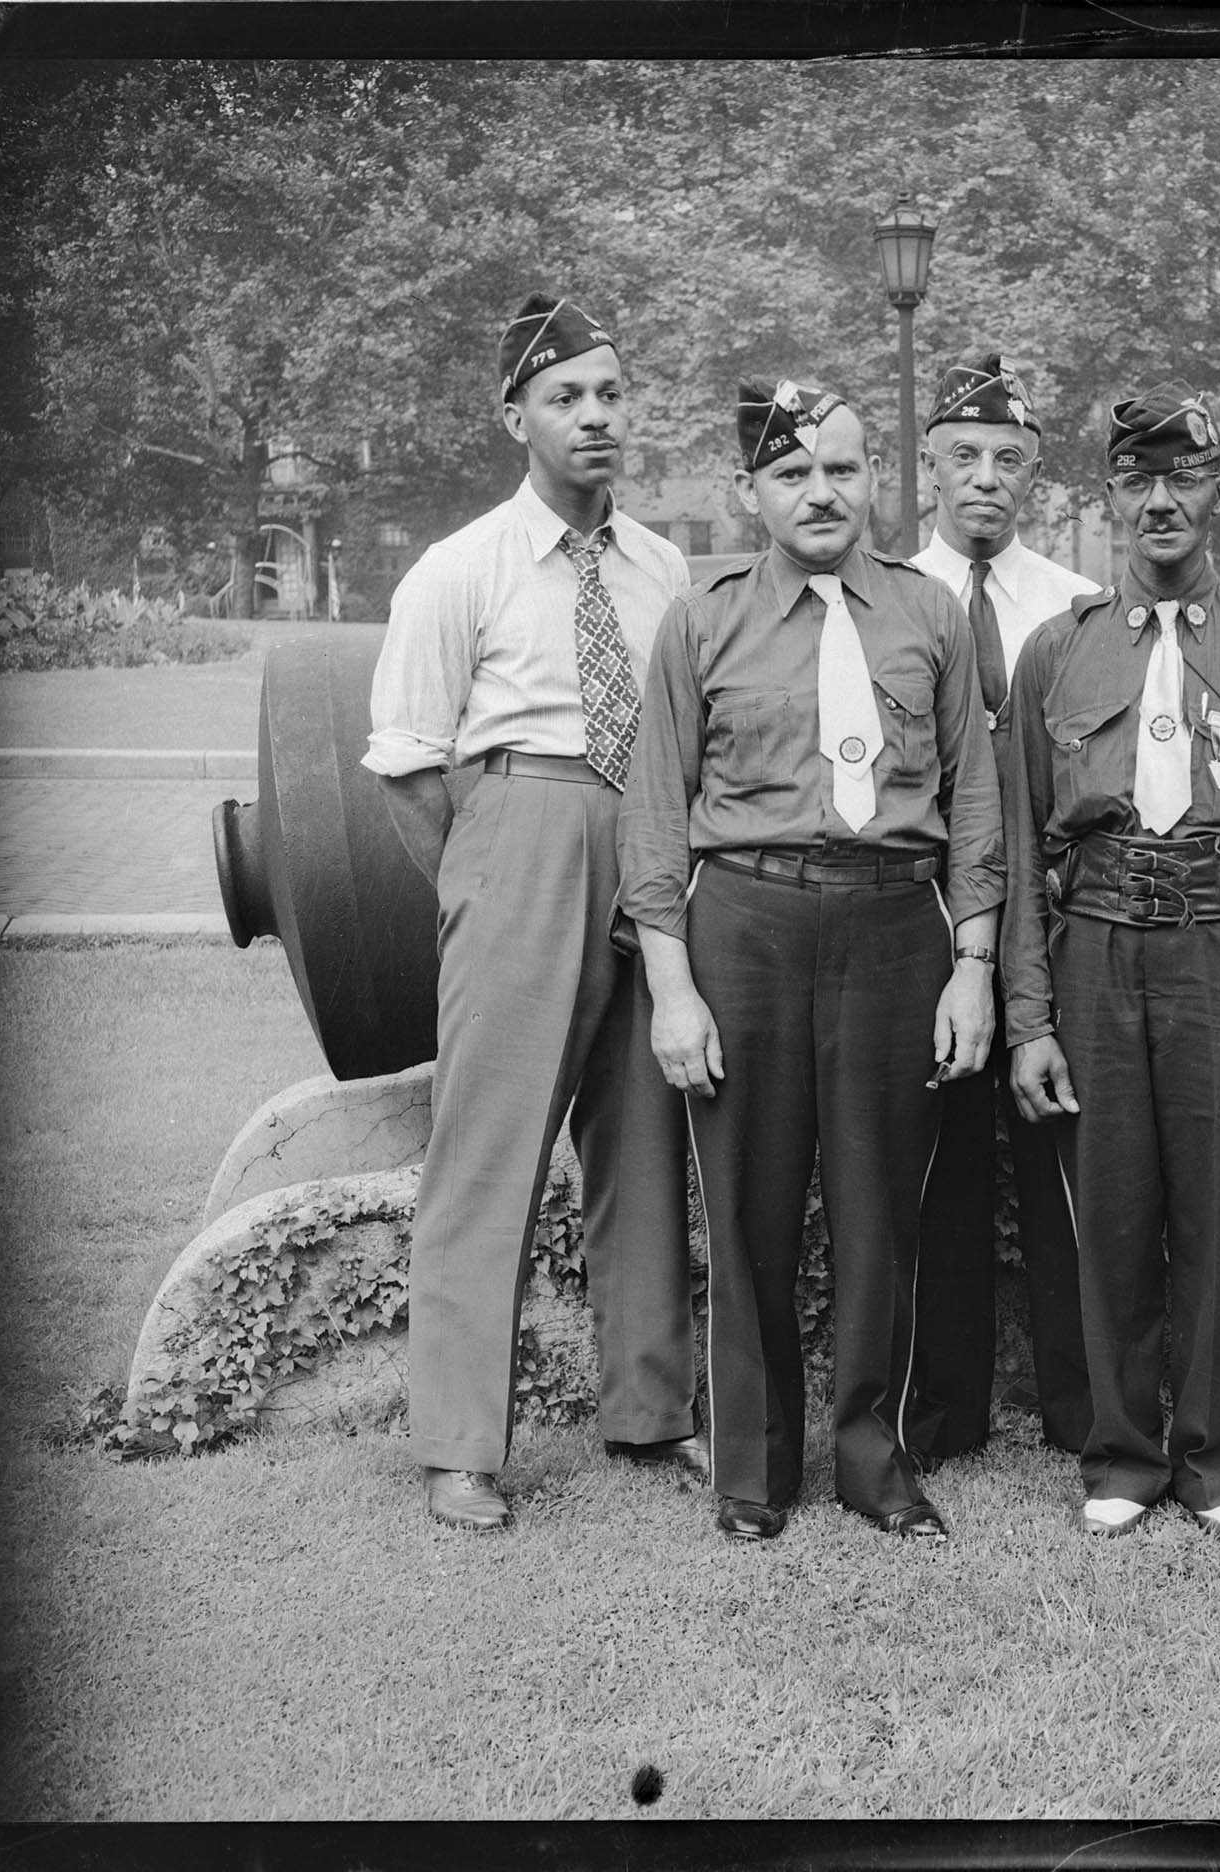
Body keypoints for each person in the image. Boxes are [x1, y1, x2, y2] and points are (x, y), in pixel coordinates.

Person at [618, 379, 1002, 1545]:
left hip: (896, 926)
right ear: (751, 494)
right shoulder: (703, 618)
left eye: (838, 468)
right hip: (747, 924)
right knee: (748, 1205)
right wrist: (673, 988)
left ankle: (871, 1459)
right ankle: (752, 1467)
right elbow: (653, 814)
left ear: (873, 476)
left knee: (884, 1208)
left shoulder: (927, 613)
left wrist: (973, 963)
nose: (819, 492)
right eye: (791, 474)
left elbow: (974, 798)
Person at [364, 292, 699, 1533]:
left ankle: (648, 1411)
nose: (595, 417)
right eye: (566, 398)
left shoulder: (662, 567)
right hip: (515, 838)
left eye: (611, 393)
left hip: (649, 850)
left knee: (649, 1144)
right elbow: (405, 765)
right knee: (489, 1154)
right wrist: (481, 884)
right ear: (516, 417)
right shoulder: (459, 569)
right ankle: (460, 1446)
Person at [1001, 380, 1220, 1542]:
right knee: (1107, 1206)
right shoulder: (1055, 654)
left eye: (1184, 478)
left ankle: (1209, 1454)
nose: (1160, 503)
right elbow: (1015, 846)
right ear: (1105, 498)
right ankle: (1121, 1451)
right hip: (1094, 946)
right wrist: (1029, 1017)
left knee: (1215, 1204)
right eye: (1135, 481)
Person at [905, 353, 1099, 1468]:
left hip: (1049, 920)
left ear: (1033, 476)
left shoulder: (1074, 607)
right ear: (926, 466)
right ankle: (940, 1413)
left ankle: (1081, 1405)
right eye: (964, 457)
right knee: (935, 1171)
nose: (985, 478)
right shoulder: (886, 594)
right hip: (922, 917)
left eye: (1008, 461)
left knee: (1061, 1154)